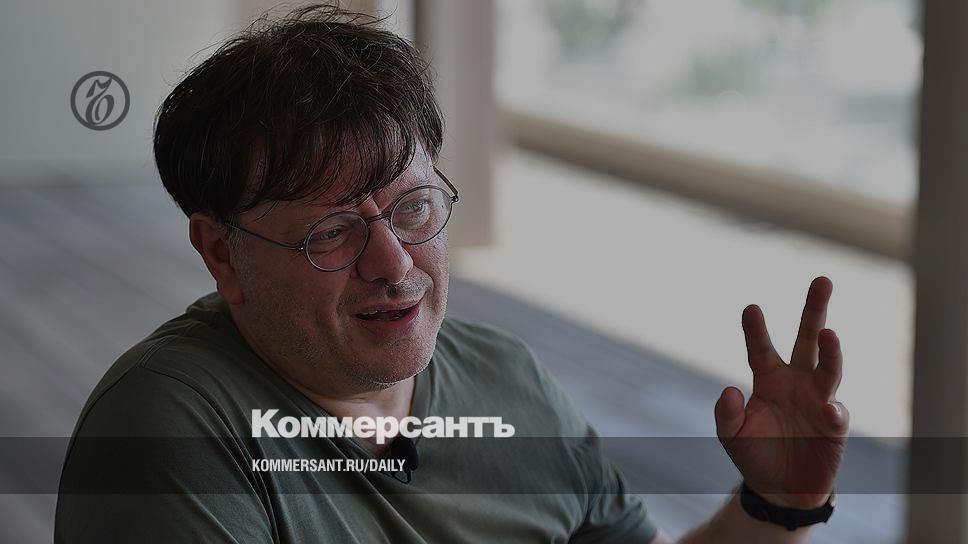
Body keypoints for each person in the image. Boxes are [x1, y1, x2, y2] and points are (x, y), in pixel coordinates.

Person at [54, 5, 849, 543]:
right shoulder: (171, 427)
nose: (394, 263)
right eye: (332, 231)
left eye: (412, 208)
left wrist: (779, 502)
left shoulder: (509, 381)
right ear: (222, 253)